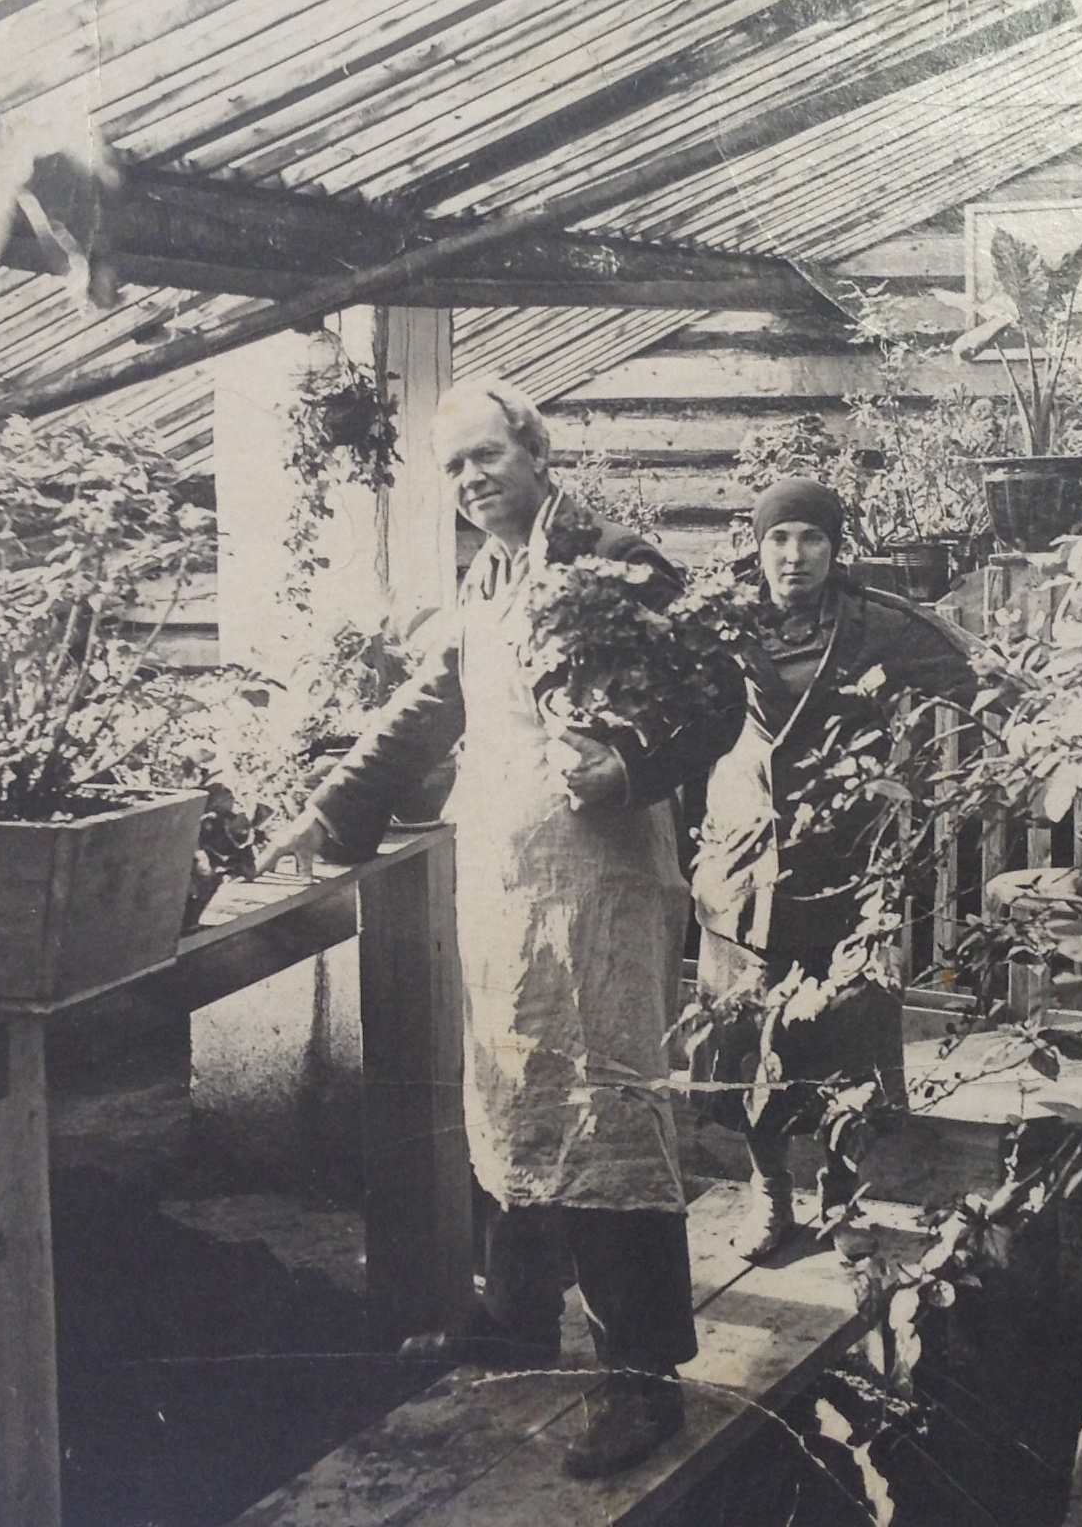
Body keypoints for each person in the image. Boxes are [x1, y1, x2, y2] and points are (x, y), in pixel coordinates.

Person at [262, 378, 742, 1480]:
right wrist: (326, 812)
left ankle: (643, 1376)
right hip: (507, 879)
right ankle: (517, 1322)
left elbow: (715, 691)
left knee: (607, 1112)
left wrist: (629, 764)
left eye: (487, 455)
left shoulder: (613, 559)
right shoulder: (484, 580)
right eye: (453, 468)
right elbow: (428, 708)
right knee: (517, 1089)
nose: (472, 480)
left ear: (535, 451)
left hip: (601, 886)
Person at [690, 478, 1000, 1261]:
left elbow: (977, 684)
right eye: (779, 539)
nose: (794, 555)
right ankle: (769, 1190)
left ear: (836, 548)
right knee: (747, 1027)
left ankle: (839, 1195)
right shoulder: (721, 620)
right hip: (742, 853)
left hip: (840, 857)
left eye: (812, 539)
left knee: (843, 1032)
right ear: (757, 546)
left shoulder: (877, 625)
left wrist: (936, 777)